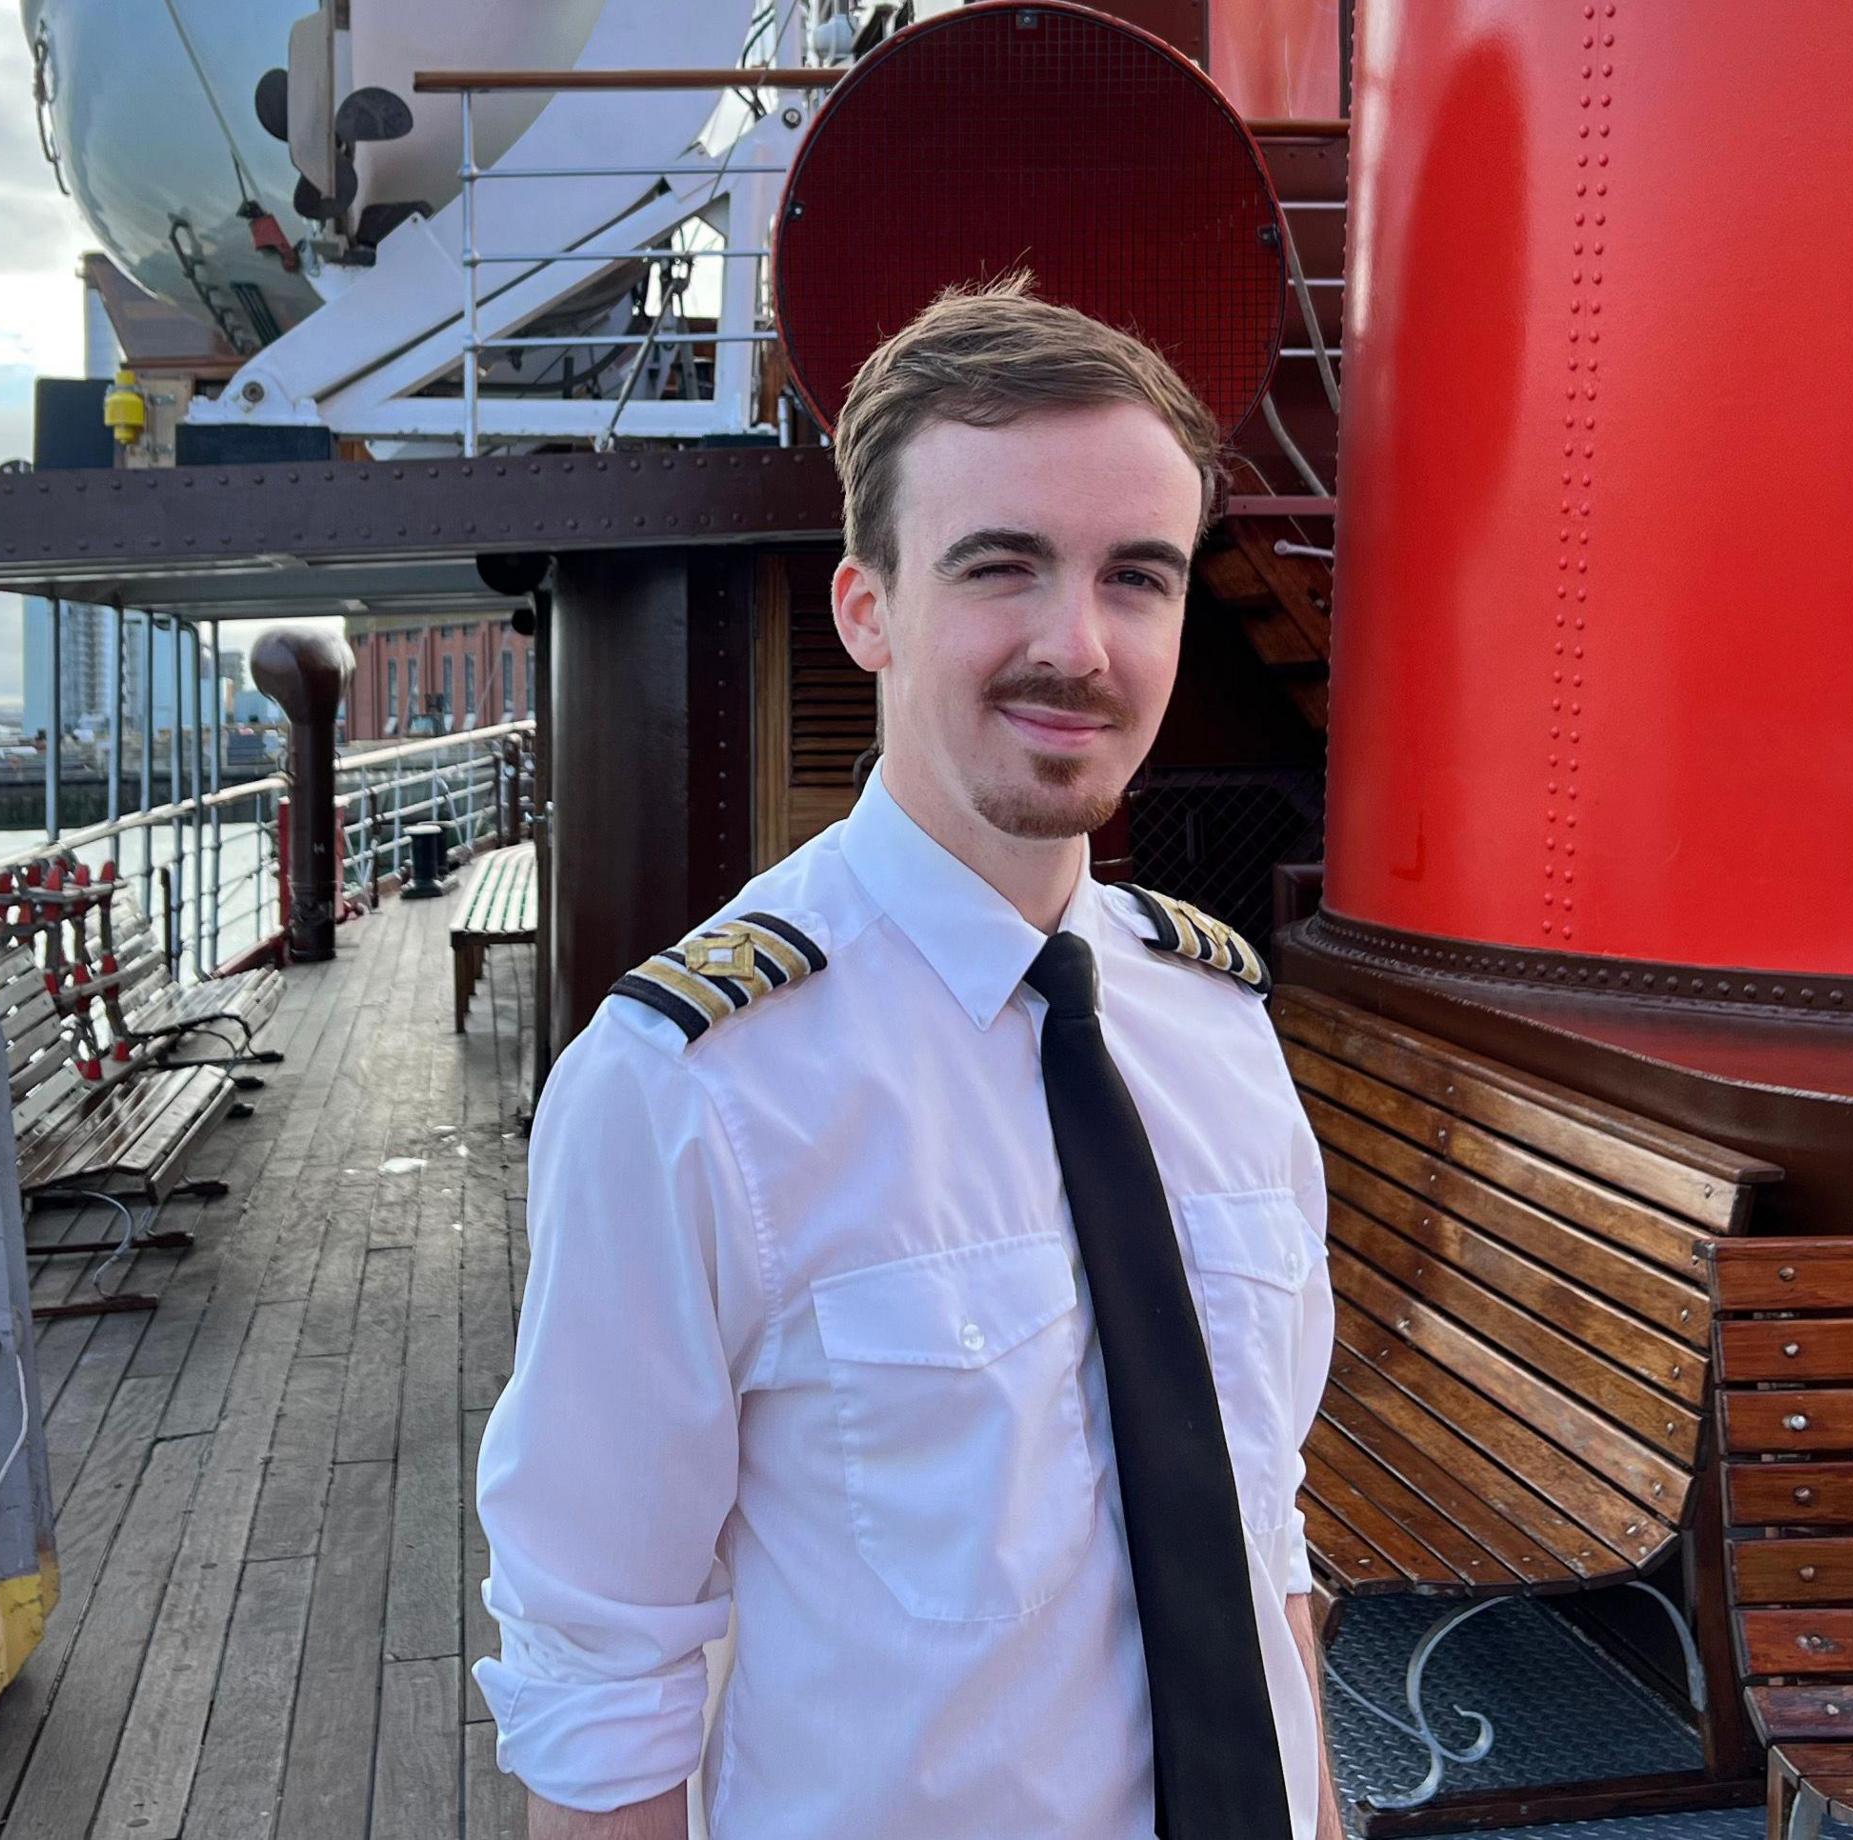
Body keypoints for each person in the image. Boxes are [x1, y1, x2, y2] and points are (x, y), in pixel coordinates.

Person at [473, 276, 1338, 1839]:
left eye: (1136, 577)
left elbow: (1261, 1533)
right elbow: (601, 1670)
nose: (1078, 646)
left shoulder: (1219, 1036)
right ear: (866, 608)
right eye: (1001, 567)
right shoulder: (693, 1092)